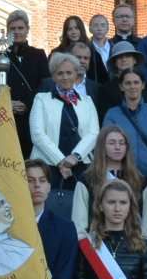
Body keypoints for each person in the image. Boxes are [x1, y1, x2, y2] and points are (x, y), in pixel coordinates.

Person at [70, 126, 147, 246]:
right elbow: (79, 225)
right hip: (97, 249)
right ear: (101, 147)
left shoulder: (139, 181)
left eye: (122, 143)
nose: (118, 147)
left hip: (133, 249)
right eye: (112, 143)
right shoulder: (87, 180)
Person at [30, 51, 99, 191]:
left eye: (69, 72)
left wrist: (75, 156)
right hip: (47, 166)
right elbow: (37, 134)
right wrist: (61, 161)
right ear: (53, 76)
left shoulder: (87, 101)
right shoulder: (41, 99)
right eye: (60, 73)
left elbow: (94, 133)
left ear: (76, 74)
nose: (65, 77)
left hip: (80, 165)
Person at [0, 9, 50, 153]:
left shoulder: (38, 55)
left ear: (27, 29)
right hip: (6, 117)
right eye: (13, 29)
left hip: (32, 117)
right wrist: (7, 103)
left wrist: (27, 103)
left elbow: (45, 85)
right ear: (8, 31)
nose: (17, 31)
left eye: (20, 28)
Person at [104, 66, 147, 172]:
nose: (132, 86)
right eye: (128, 83)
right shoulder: (112, 115)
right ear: (121, 87)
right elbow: (106, 146)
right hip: (123, 176)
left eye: (136, 82)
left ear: (143, 85)